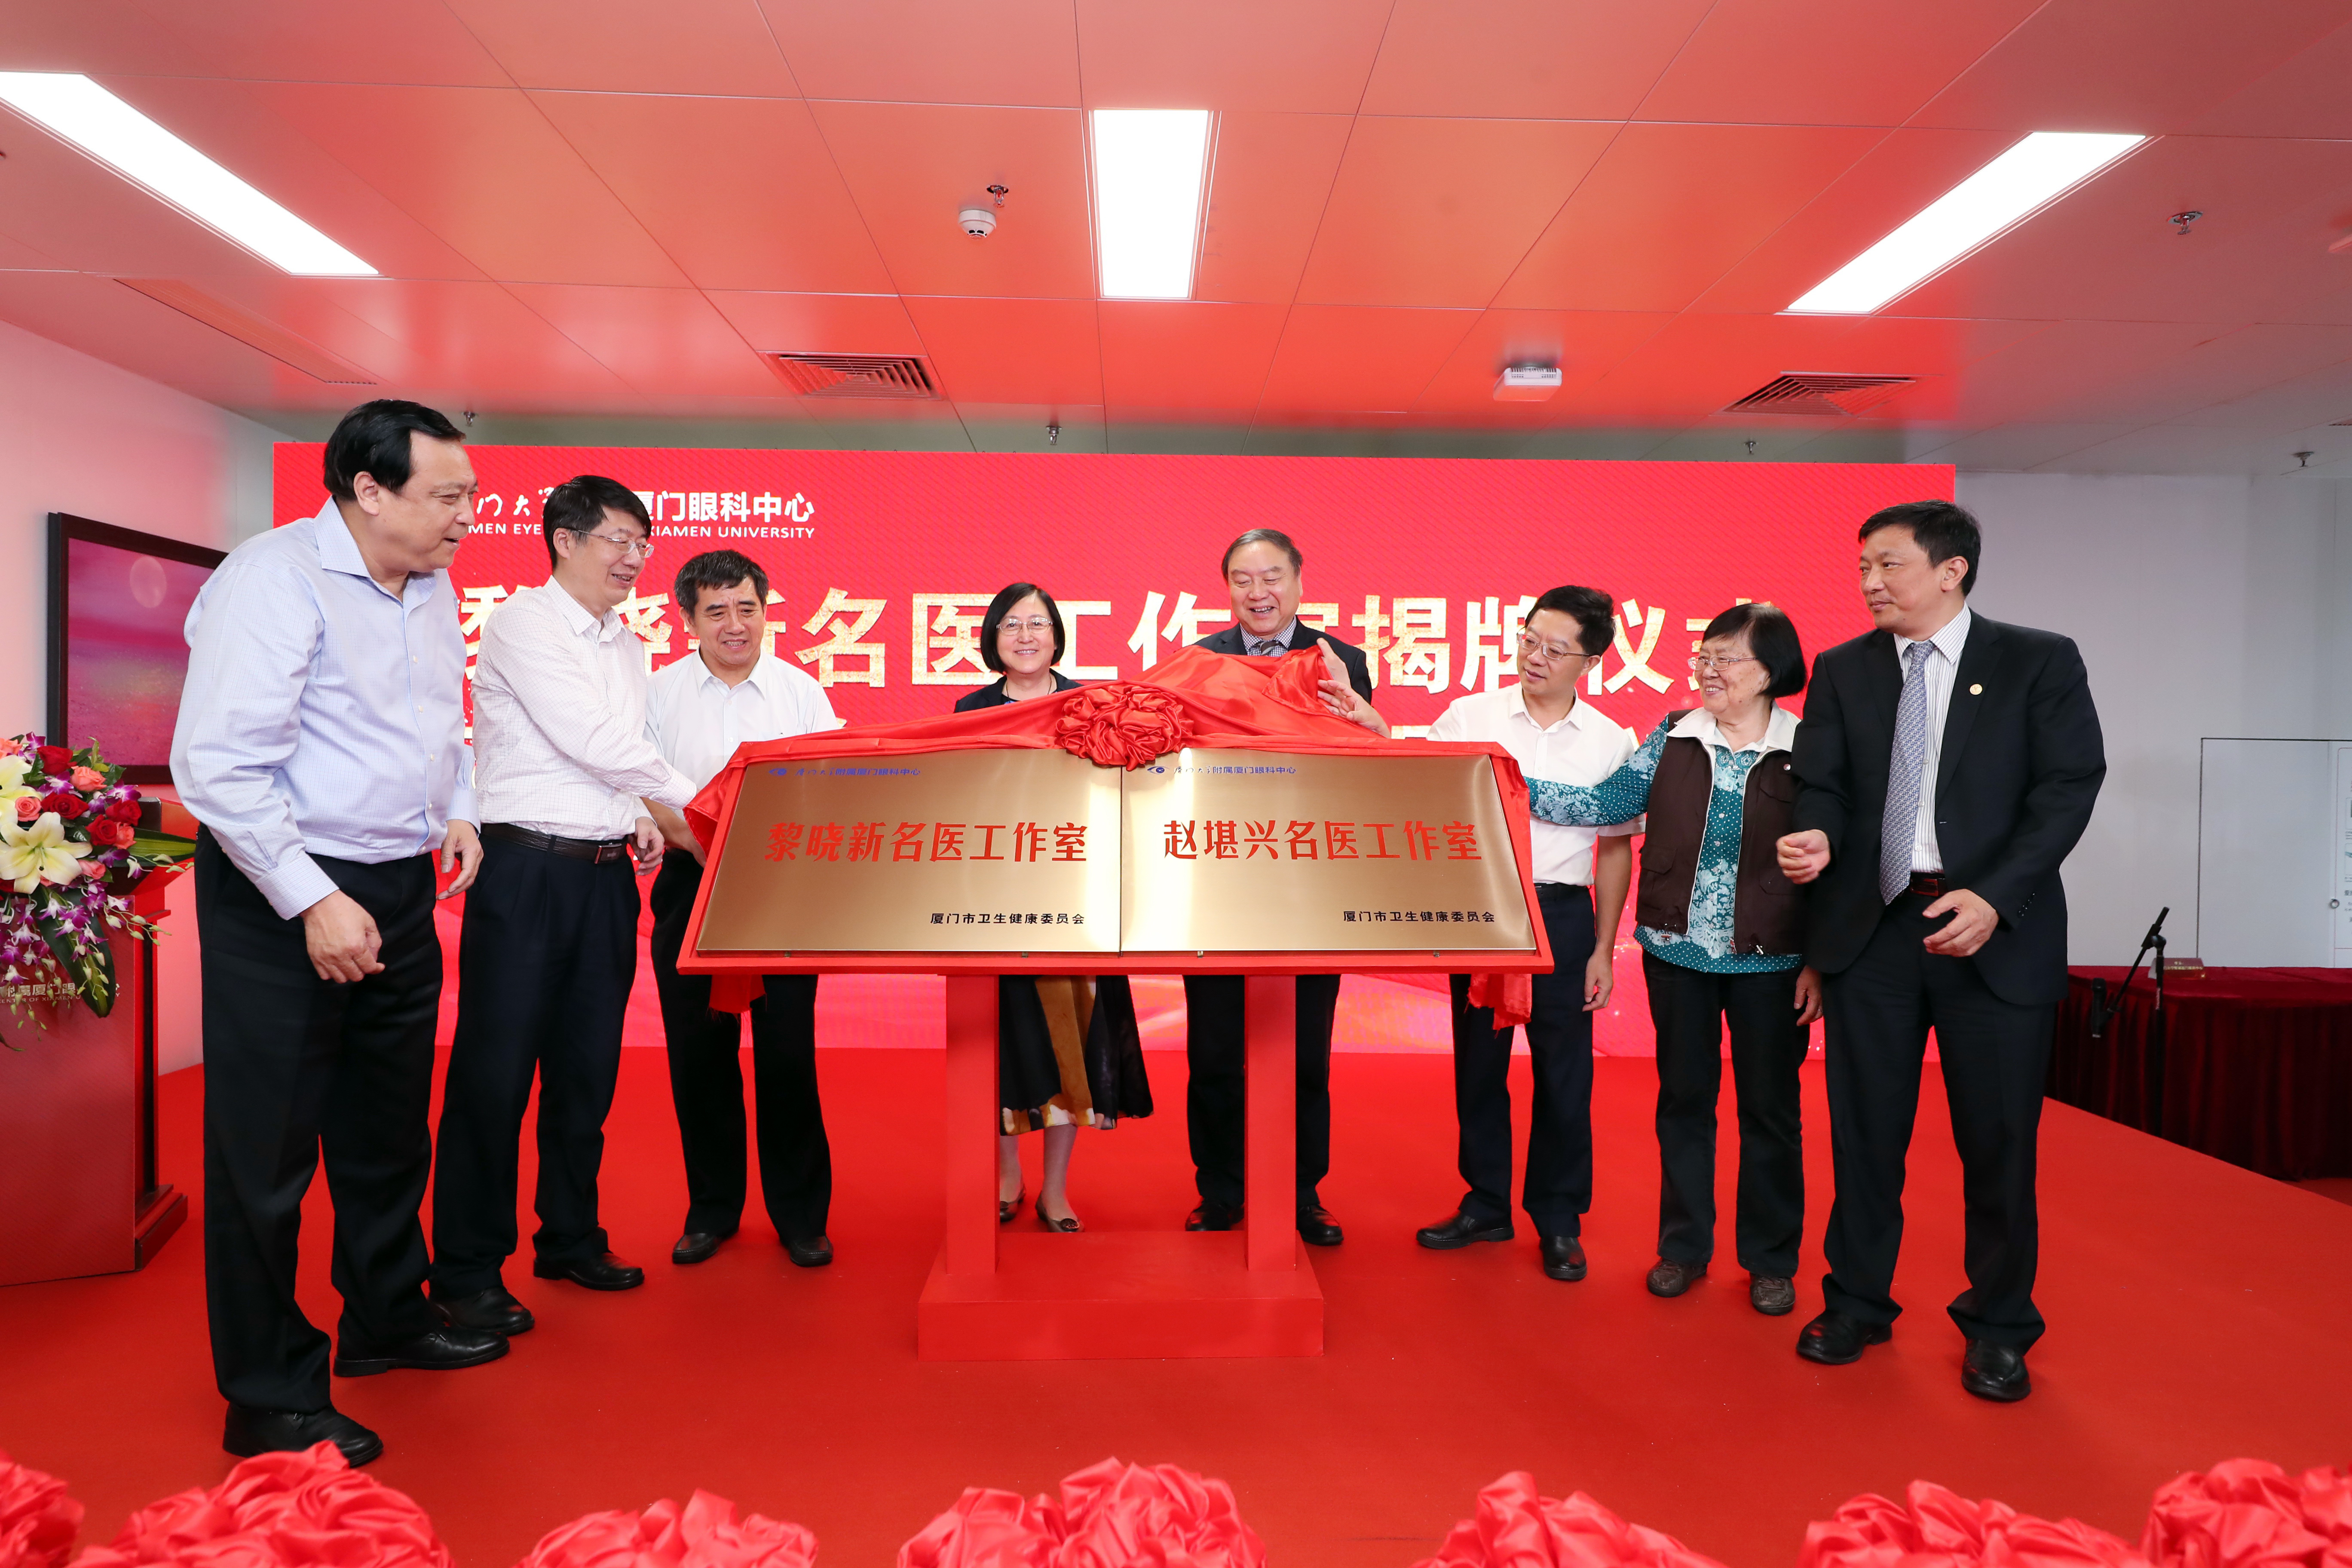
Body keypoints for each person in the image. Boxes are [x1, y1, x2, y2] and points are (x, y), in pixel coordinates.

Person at [173, 398, 495, 1467]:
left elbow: (434, 723)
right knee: (266, 1151)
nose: (465, 518)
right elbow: (221, 767)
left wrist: (456, 810)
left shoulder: (434, 586)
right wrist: (311, 899)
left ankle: (386, 1317)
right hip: (286, 887)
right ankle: (269, 1394)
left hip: (398, 883)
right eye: (446, 497)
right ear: (368, 489)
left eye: (469, 497)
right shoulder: (273, 581)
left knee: (387, 1128)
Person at [1776, 499, 2104, 1402]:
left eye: (1889, 565)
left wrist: (1997, 897)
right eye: (1863, 568)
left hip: (1990, 934)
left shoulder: (2038, 660)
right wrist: (1818, 835)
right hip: (1875, 931)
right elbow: (1822, 782)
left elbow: (2068, 787)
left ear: (1952, 569)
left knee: (1997, 1145)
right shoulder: (1844, 669)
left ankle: (1999, 1326)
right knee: (1865, 1136)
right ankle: (1856, 1303)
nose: (1870, 583)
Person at [429, 476, 700, 1331]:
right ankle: (467, 1269)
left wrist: (639, 816)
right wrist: (698, 807)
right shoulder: (523, 622)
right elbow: (588, 737)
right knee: (496, 1074)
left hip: (605, 877)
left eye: (642, 544)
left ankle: (571, 1236)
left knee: (587, 1070)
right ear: (565, 540)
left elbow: (617, 759)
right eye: (618, 540)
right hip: (525, 872)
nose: (634, 558)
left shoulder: (628, 644)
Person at [1511, 602, 1824, 1313]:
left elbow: (1834, 862)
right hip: (1677, 955)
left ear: (1769, 673)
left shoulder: (1807, 749)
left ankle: (1770, 1260)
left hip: (1774, 960)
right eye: (1703, 657)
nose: (1708, 671)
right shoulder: (1674, 734)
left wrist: (1822, 962)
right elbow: (1603, 804)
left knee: (1771, 1112)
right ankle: (1683, 1248)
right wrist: (1500, 779)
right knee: (1684, 1104)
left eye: (1726, 660)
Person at [1412, 586, 1638, 1283]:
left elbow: (1615, 850)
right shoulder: (1470, 716)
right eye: (1529, 639)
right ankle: (1485, 1203)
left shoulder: (1611, 741)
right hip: (1482, 914)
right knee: (1478, 1068)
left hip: (1564, 917)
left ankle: (1559, 1219)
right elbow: (1420, 793)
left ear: (1591, 663)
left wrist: (1603, 948)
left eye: (1556, 649)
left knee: (1564, 1074)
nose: (1535, 657)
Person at [643, 550, 843, 1269]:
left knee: (788, 1053)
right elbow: (645, 788)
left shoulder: (801, 692)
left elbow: (833, 784)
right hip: (690, 886)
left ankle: (801, 1217)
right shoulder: (659, 693)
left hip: (781, 891)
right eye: (717, 611)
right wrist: (702, 849)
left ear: (766, 610)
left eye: (747, 608)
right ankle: (712, 1211)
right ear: (688, 619)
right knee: (699, 1054)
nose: (735, 624)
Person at [1185, 527, 1384, 1245]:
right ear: (1227, 589)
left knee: (1304, 1052)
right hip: (1217, 883)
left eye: (1272, 577)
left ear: (1299, 582)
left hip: (1309, 886)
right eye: (1243, 580)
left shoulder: (1340, 661)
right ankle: (1221, 1189)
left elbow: (1357, 767)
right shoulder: (1200, 662)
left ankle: (1302, 1192)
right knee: (1215, 1051)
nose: (1258, 593)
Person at [953, 583, 1151, 1231]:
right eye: (1011, 624)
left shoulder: (1093, 706)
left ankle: (1056, 1190)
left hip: (1075, 897)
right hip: (994, 899)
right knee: (1002, 1041)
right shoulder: (971, 710)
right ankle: (1008, 1174)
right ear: (993, 637)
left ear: (1058, 637)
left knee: (1074, 1043)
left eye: (1038, 624)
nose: (1026, 636)